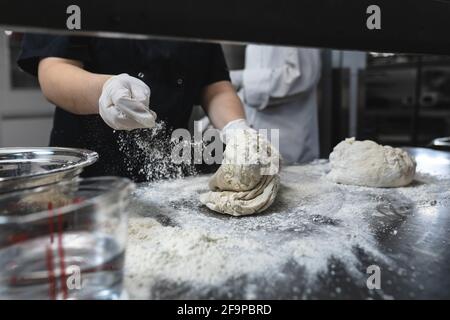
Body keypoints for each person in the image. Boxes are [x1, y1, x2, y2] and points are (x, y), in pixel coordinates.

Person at [17, 34, 272, 181]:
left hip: (168, 175)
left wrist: (237, 129)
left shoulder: (196, 10)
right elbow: (53, 72)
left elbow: (216, 86)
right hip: (87, 180)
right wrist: (107, 90)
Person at [230, 45, 321, 164]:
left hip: (290, 145)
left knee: (289, 178)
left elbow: (303, 75)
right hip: (258, 139)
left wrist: (241, 78)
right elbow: (251, 93)